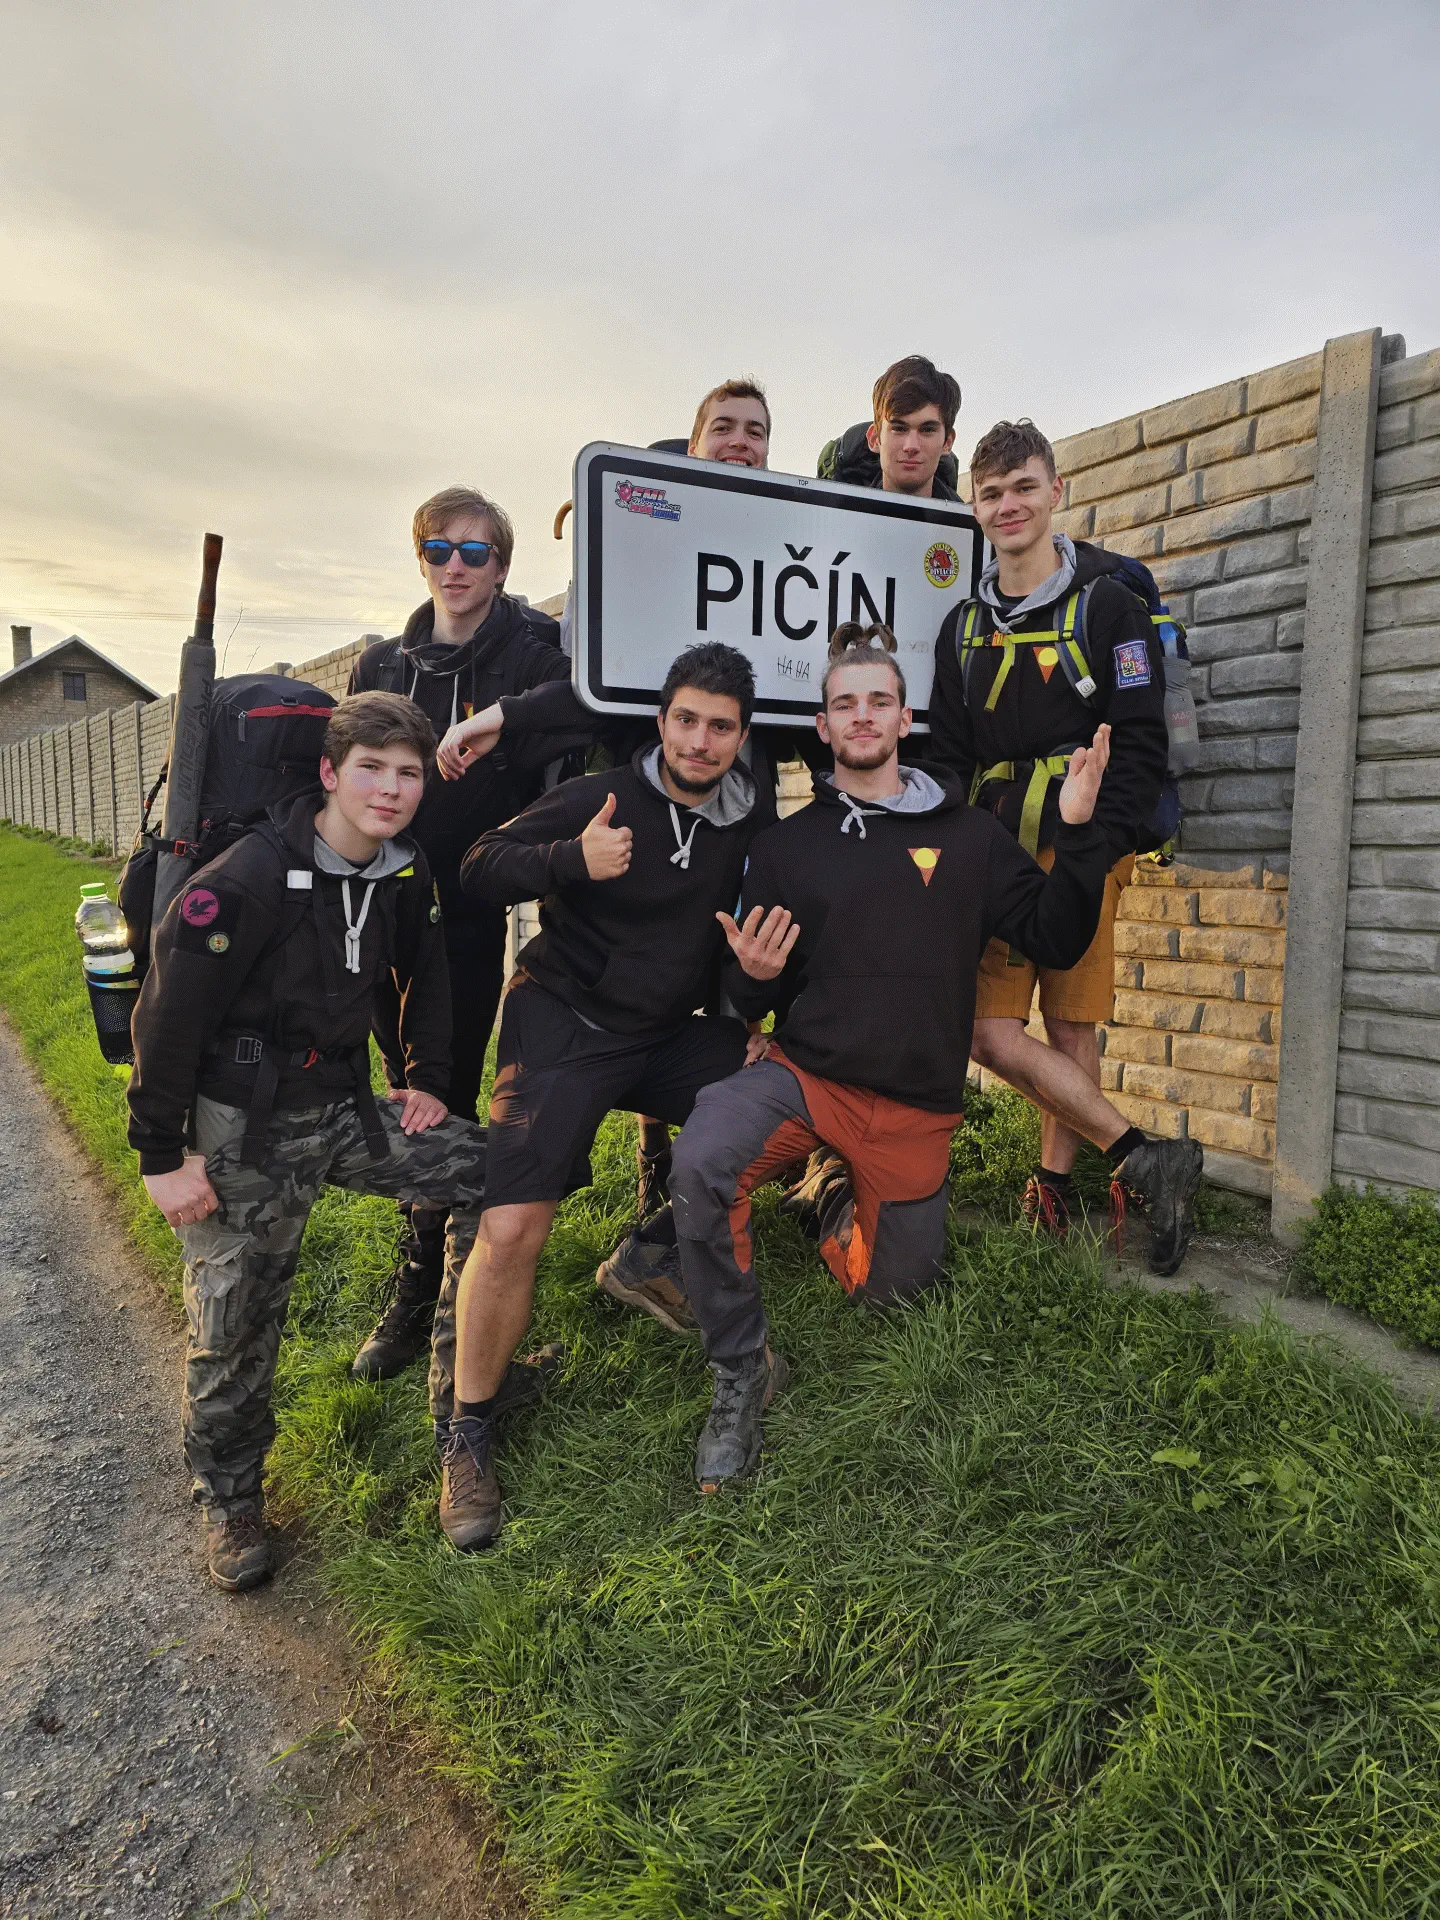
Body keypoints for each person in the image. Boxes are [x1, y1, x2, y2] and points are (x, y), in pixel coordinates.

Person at [665, 625, 1134, 1490]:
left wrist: (1076, 827)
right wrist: (751, 977)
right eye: (845, 703)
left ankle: (828, 1195)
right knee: (702, 1161)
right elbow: (749, 993)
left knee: (893, 1297)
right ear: (823, 726)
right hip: (808, 1079)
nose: (862, 715)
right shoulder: (786, 847)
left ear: (904, 718)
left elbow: (1058, 938)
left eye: (879, 700)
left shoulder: (971, 836)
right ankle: (740, 1369)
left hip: (915, 1102)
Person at [127, 692, 488, 1592]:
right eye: (372, 769)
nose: (392, 789)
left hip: (346, 1109)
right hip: (240, 1129)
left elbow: (425, 972)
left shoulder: (404, 868)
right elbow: (166, 1017)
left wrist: (426, 1080)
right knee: (235, 1321)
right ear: (329, 772)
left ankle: (467, 1400)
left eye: (409, 773)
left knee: (500, 1173)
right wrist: (161, 1156)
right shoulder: (248, 877)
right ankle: (232, 1498)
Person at [433, 643, 768, 1550]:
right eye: (686, 720)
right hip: (563, 1023)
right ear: (661, 722)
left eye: (721, 727)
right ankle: (468, 1430)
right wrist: (570, 860)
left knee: (793, 1091)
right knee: (512, 1226)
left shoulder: (749, 820)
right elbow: (478, 864)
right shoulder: (603, 796)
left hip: (660, 1035)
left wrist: (753, 999)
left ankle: (651, 1251)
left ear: (742, 737)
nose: (700, 742)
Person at [434, 382, 781, 1227]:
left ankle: (682, 1192)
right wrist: (504, 716)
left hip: (739, 805)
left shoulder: (780, 544)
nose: (740, 443)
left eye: (756, 432)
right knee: (642, 949)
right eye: (723, 429)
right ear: (693, 445)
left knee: (714, 972)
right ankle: (646, 1160)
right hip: (638, 805)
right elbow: (592, 684)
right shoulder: (647, 550)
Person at [927, 419, 1202, 1260]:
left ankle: (1051, 1187)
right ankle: (1145, 1157)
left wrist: (1100, 841)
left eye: (1023, 487)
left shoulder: (1109, 606)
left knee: (1071, 1022)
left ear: (1056, 491)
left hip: (1085, 841)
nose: (1008, 505)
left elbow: (1140, 742)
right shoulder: (962, 625)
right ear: (975, 509)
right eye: (991, 494)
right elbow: (947, 756)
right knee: (987, 1031)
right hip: (996, 850)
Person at [344, 486, 572, 1383]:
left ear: (502, 566)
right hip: (381, 902)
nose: (455, 567)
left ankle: (440, 1296)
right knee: (404, 1083)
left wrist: (495, 719)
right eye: (439, 550)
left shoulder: (530, 649)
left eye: (475, 552)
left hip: (471, 904)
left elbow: (582, 701)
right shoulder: (381, 662)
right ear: (421, 559)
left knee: (450, 1084)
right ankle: (422, 1258)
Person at [816, 354, 964, 501]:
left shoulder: (970, 517)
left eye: (927, 430)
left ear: (947, 442)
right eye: (899, 429)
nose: (911, 446)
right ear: (874, 439)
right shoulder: (829, 512)